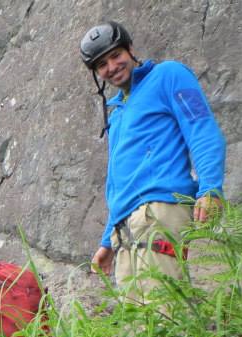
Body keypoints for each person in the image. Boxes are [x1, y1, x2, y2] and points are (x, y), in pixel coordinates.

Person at [80, 20, 226, 303]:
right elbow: (121, 181)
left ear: (131, 49)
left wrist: (210, 189)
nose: (111, 67)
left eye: (115, 55)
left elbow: (202, 129)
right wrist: (106, 240)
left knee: (166, 312)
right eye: (102, 65)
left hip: (160, 211)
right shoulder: (117, 113)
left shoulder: (168, 75)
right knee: (140, 331)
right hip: (124, 231)